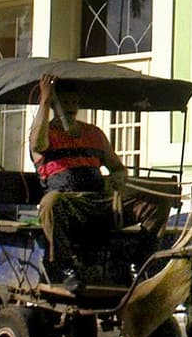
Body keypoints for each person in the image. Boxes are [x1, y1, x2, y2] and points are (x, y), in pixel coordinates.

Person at [29, 74, 138, 283]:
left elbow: (117, 168)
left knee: (154, 200)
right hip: (67, 202)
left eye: (73, 102)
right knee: (50, 203)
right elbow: (37, 145)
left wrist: (118, 177)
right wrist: (44, 99)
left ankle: (144, 260)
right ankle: (64, 266)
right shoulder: (45, 133)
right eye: (64, 102)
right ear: (55, 105)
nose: (70, 107)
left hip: (99, 202)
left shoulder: (94, 133)